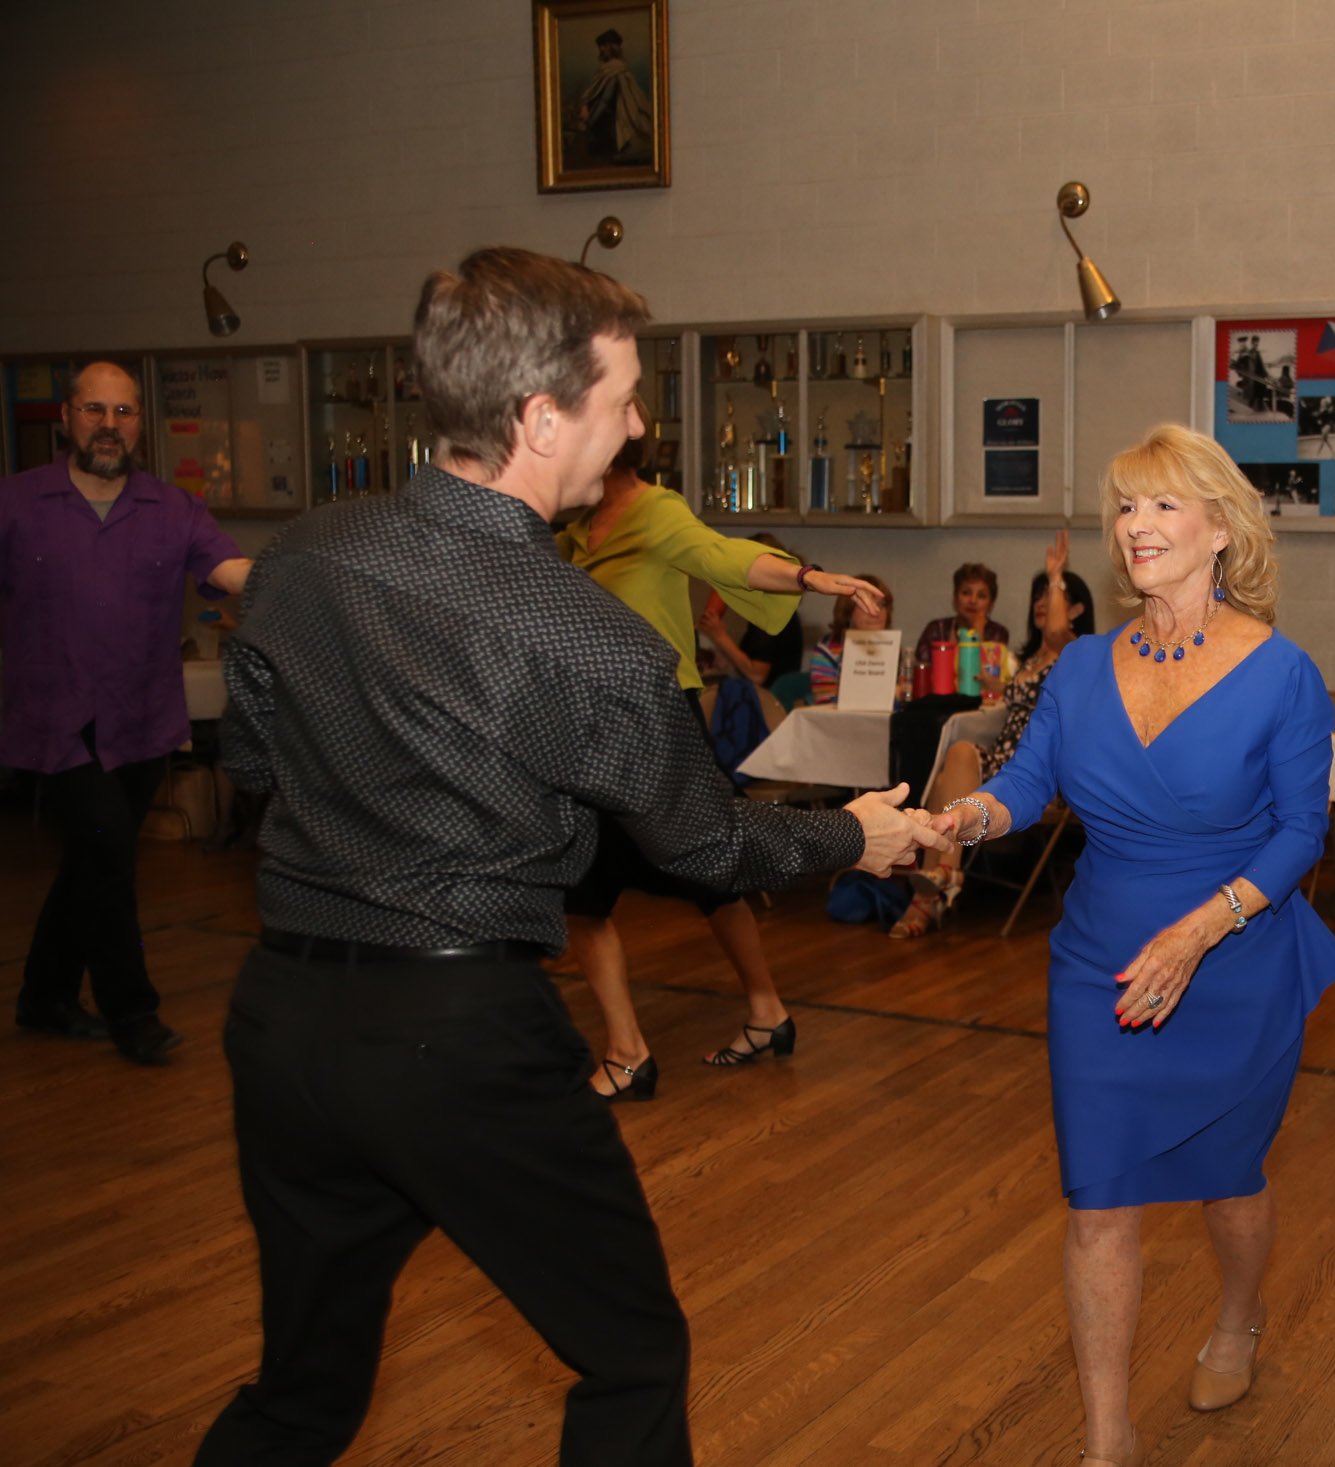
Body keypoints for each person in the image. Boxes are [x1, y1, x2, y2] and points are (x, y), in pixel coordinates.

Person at [198, 247, 940, 1465]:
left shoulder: (303, 557)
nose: (638, 426)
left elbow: (252, 762)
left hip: (281, 1018)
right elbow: (707, 845)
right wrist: (857, 832)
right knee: (632, 1356)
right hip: (456, 1038)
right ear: (541, 420)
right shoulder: (588, 640)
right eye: (625, 400)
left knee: (302, 1391)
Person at [934, 426, 1335, 1467]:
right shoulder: (1080, 666)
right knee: (1099, 1201)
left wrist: (1202, 928)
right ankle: (1106, 1440)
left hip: (1235, 959)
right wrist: (963, 820)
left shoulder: (1282, 673)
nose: (1136, 526)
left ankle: (1239, 1315)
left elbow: (1301, 833)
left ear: (1222, 528)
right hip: (1103, 967)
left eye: (1163, 504)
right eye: (1126, 506)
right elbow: (1026, 785)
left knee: (1230, 1179)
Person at [557, 411, 884, 1094]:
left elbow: (726, 556)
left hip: (657, 719)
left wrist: (811, 578)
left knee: (709, 870)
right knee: (586, 891)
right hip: (592, 725)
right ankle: (638, 1048)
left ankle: (759, 1012)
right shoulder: (574, 530)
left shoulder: (655, 512)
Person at [2, 360, 251, 1063]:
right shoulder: (17, 503)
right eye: (94, 410)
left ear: (140, 423)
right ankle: (132, 1013)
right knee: (109, 856)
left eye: (123, 412)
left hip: (140, 724)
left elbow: (228, 570)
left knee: (91, 861)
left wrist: (304, 575)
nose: (108, 426)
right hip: (55, 725)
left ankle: (45, 996)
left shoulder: (173, 509)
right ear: (67, 418)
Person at [890, 532, 1093, 938]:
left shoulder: (1077, 652)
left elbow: (1056, 631)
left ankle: (932, 888)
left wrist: (1056, 575)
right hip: (1004, 756)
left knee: (958, 760)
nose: (1042, 602)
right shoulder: (1030, 657)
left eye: (1052, 596)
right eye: (1038, 595)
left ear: (1075, 610)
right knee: (955, 761)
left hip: (1039, 767)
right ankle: (941, 877)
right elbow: (1014, 694)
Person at [699, 534, 808, 693]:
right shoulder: (779, 609)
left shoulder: (768, 614)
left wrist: (720, 636)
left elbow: (757, 675)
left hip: (768, 702)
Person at [909, 561, 1013, 690]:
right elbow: (921, 676)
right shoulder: (936, 629)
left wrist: (978, 631)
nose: (973, 601)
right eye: (966, 593)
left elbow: (987, 679)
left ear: (991, 605)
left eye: (981, 596)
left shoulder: (998, 632)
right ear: (955, 598)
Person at [806, 573, 893, 706]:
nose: (876, 612)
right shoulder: (827, 650)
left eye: (882, 605)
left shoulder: (894, 649)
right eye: (866, 605)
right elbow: (826, 702)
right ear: (848, 612)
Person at [578, 28, 652, 166]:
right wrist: (585, 106)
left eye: (602, 46)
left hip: (611, 120)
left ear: (610, 47)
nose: (600, 50)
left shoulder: (614, 68)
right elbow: (594, 93)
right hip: (607, 118)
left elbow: (605, 100)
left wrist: (591, 121)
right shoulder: (610, 68)